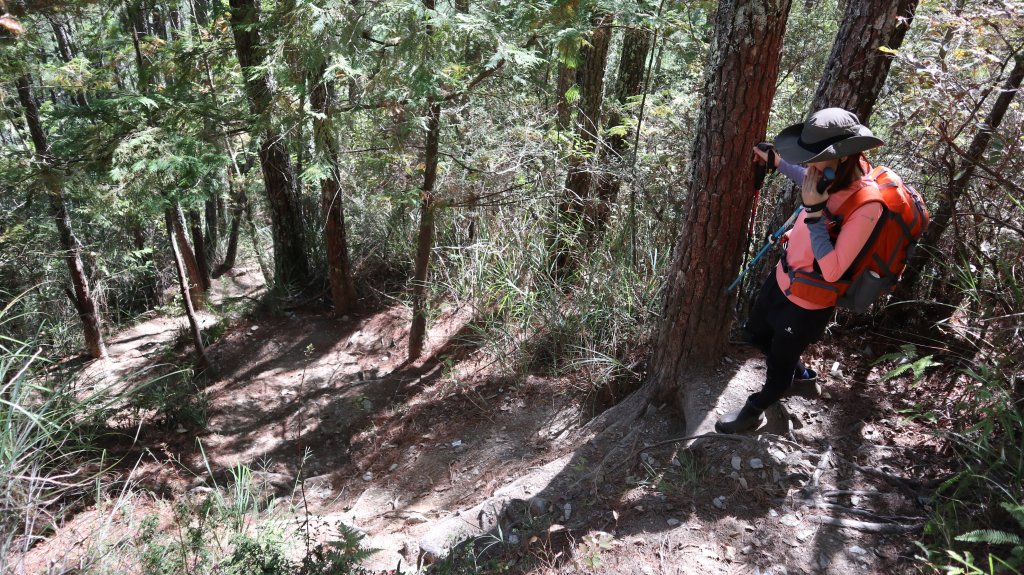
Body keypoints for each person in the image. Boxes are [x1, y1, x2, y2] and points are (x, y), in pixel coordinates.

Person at [716, 108, 885, 434]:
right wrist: (778, 163)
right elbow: (807, 181)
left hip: (807, 303)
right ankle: (803, 377)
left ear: (843, 160)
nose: (808, 166)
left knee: (778, 367)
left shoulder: (868, 205)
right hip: (782, 279)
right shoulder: (830, 175)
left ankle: (756, 410)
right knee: (759, 333)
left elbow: (834, 270)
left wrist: (813, 212)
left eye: (814, 159)